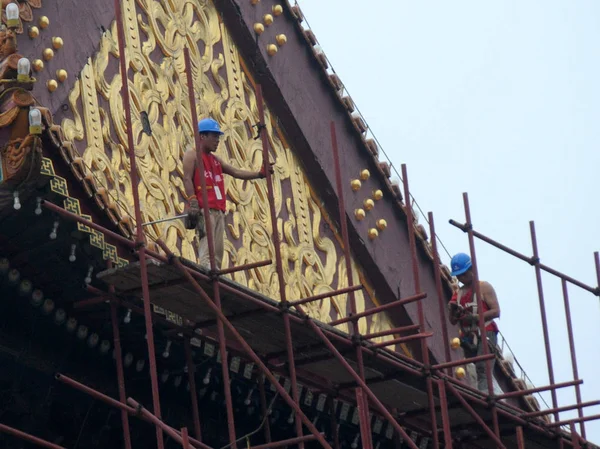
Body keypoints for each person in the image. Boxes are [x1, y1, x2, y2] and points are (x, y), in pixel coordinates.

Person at [183, 118, 270, 269]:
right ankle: (206, 268)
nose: (217, 140)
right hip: (205, 209)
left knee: (218, 249)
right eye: (214, 136)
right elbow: (187, 179)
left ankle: (214, 272)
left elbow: (236, 172)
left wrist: (259, 174)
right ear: (202, 136)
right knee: (207, 243)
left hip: (218, 210)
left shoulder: (216, 160)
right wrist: (192, 200)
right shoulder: (192, 156)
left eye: (218, 136)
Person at [447, 252, 501, 392]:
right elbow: (452, 321)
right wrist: (453, 310)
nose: (461, 278)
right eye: (459, 276)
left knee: (483, 368)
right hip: (469, 337)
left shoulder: (484, 287)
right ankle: (480, 393)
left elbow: (496, 311)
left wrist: (476, 318)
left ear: (472, 270)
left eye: (464, 274)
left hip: (486, 332)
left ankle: (485, 397)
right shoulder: (458, 293)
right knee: (471, 369)